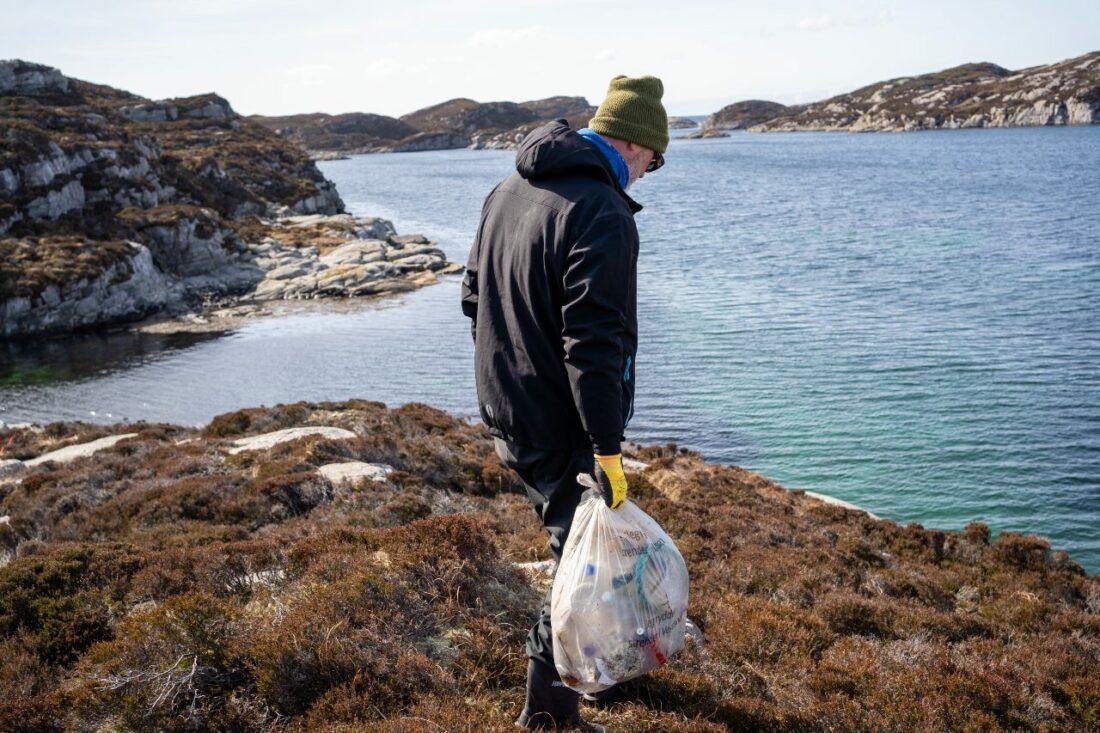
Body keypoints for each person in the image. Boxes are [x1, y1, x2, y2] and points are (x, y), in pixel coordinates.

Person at [460, 74, 668, 731]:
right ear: (635, 145)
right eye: (654, 162)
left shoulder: (508, 190)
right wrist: (607, 447)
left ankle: (577, 683)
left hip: (507, 408)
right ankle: (547, 715)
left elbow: (472, 295)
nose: (647, 176)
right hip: (560, 426)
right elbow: (594, 344)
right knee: (577, 564)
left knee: (572, 552)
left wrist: (511, 367)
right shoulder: (601, 211)